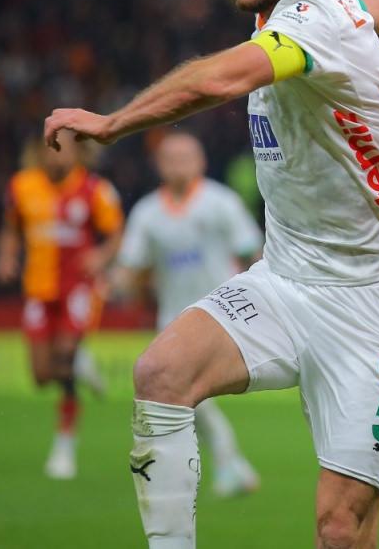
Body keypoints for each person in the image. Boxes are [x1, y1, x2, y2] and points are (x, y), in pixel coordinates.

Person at [43, 0, 379, 549]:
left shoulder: (315, 18)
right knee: (161, 372)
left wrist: (113, 124)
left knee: (341, 530)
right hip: (286, 281)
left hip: (373, 303)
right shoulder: (322, 8)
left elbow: (219, 79)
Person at [116, 130, 264, 497]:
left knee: (192, 395)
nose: (179, 165)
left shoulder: (221, 203)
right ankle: (230, 466)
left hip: (222, 313)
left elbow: (252, 250)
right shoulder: (147, 213)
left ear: (201, 162)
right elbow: (132, 266)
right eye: (171, 158)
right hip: (173, 319)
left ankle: (224, 465)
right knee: (190, 397)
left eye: (186, 157)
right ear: (158, 165)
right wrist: (116, 284)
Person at [0, 133, 124, 479]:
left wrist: (101, 256)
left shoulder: (95, 189)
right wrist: (6, 256)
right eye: (50, 148)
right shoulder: (22, 186)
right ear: (38, 151)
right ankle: (82, 362)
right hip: (39, 290)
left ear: (79, 152)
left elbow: (116, 233)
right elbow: (11, 228)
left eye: (64, 148)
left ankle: (64, 447)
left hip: (78, 288)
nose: (57, 155)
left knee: (64, 361)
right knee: (41, 376)